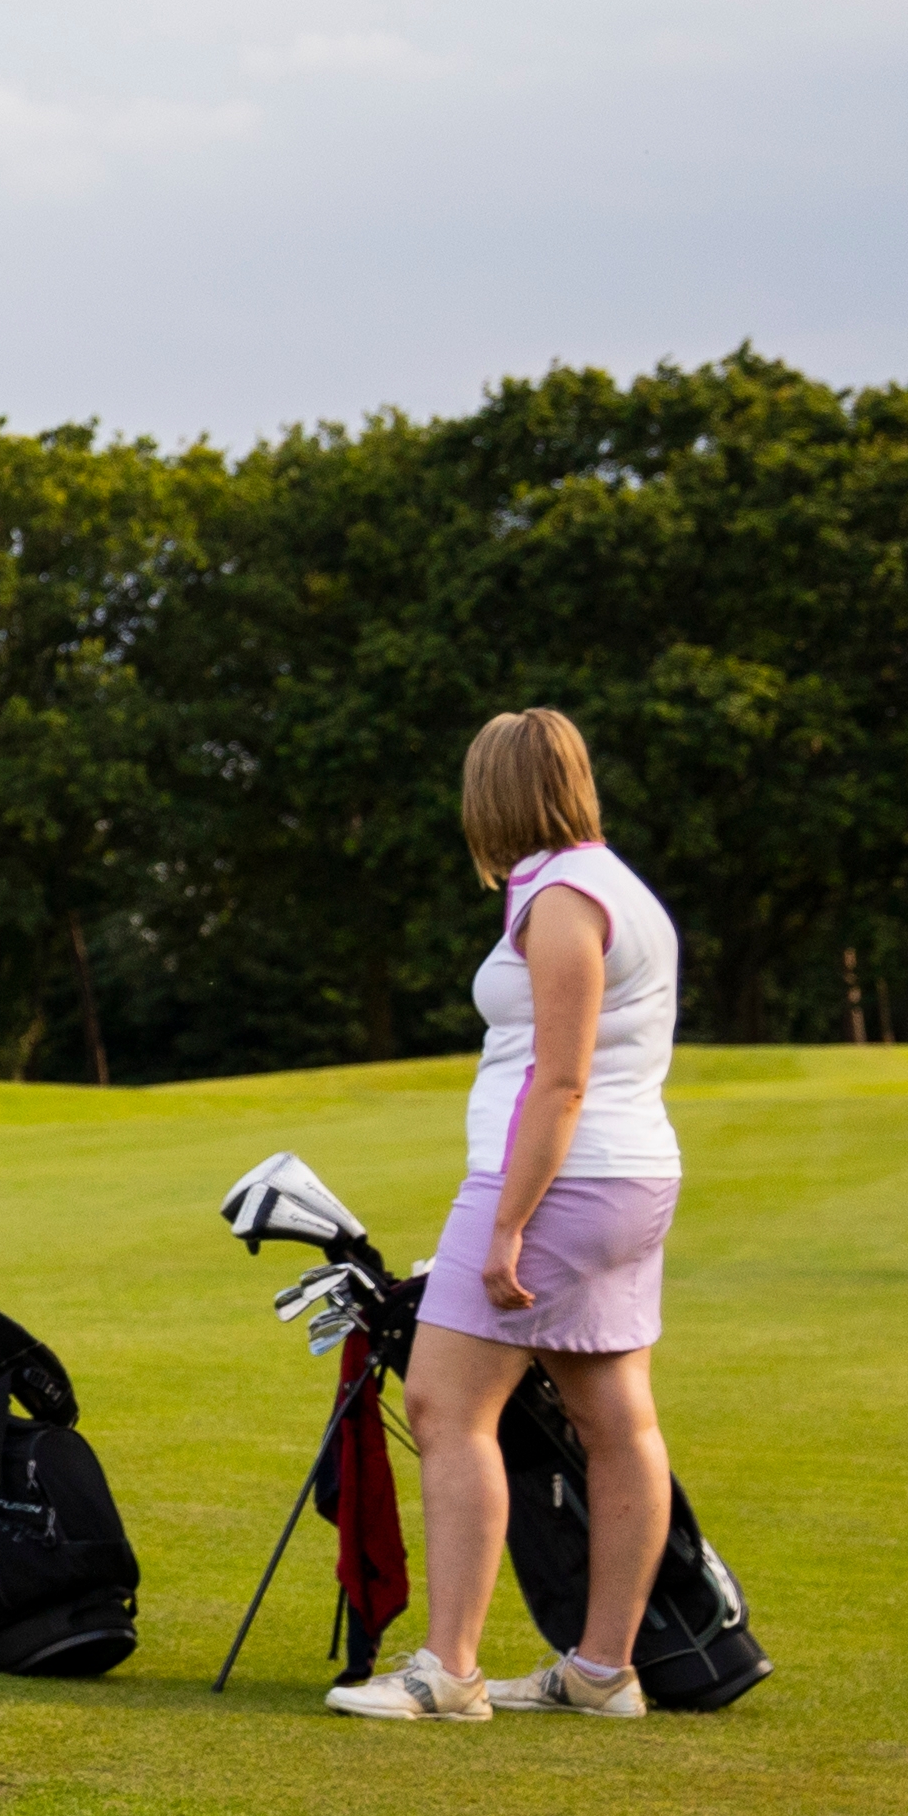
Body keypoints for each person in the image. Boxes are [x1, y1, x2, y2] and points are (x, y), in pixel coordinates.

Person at [334, 708, 691, 1722]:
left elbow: (562, 1079)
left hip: (555, 1183)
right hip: (622, 1181)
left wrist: (504, 1227)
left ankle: (450, 1672)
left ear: (494, 795)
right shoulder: (610, 885)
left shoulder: (565, 899)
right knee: (616, 1419)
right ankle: (600, 1672)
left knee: (449, 1407)